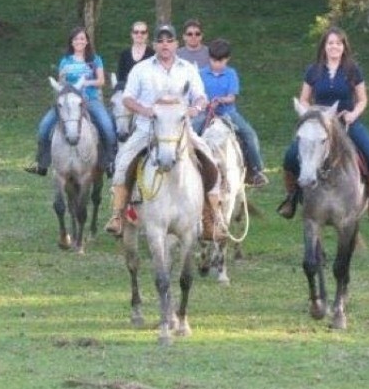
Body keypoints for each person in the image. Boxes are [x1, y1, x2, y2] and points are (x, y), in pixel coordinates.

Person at [104, 23, 228, 239]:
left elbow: (200, 95)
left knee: (210, 161)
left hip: (181, 131)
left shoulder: (188, 69)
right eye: (160, 41)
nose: (165, 45)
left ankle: (212, 219)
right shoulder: (141, 69)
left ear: (176, 44)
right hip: (147, 130)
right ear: (154, 44)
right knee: (123, 163)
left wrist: (196, 108)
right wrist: (145, 110)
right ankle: (118, 214)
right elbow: (127, 97)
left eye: (169, 40)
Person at [277, 26, 369, 223]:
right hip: (319, 124)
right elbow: (304, 99)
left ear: (344, 47)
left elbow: (362, 99)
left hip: (345, 122)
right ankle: (292, 198)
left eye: (338, 43)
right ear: (324, 46)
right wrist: (312, 113)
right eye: (330, 43)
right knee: (290, 156)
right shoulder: (313, 70)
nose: (334, 47)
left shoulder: (353, 69)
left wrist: (354, 114)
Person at [24, 26, 118, 177]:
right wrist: (67, 88)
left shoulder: (95, 60)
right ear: (72, 42)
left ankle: (111, 162)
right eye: (76, 39)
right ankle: (41, 163)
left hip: (90, 99)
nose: (79, 41)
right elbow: (61, 82)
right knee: (44, 127)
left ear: (87, 41)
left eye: (82, 38)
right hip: (68, 102)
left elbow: (101, 81)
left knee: (107, 126)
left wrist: (83, 84)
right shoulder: (65, 61)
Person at [192, 38, 269, 187]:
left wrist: (220, 100)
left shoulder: (231, 74)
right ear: (209, 58)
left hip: (227, 112)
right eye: (214, 60)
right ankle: (187, 164)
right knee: (192, 130)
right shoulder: (200, 74)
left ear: (227, 59)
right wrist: (205, 103)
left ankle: (256, 170)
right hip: (205, 112)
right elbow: (197, 94)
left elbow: (232, 96)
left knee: (249, 134)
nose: (217, 64)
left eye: (221, 61)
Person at [114, 21, 154, 91]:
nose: (139, 35)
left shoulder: (152, 54)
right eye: (136, 32)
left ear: (147, 35)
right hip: (127, 90)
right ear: (132, 34)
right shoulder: (124, 54)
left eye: (143, 32)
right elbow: (120, 77)